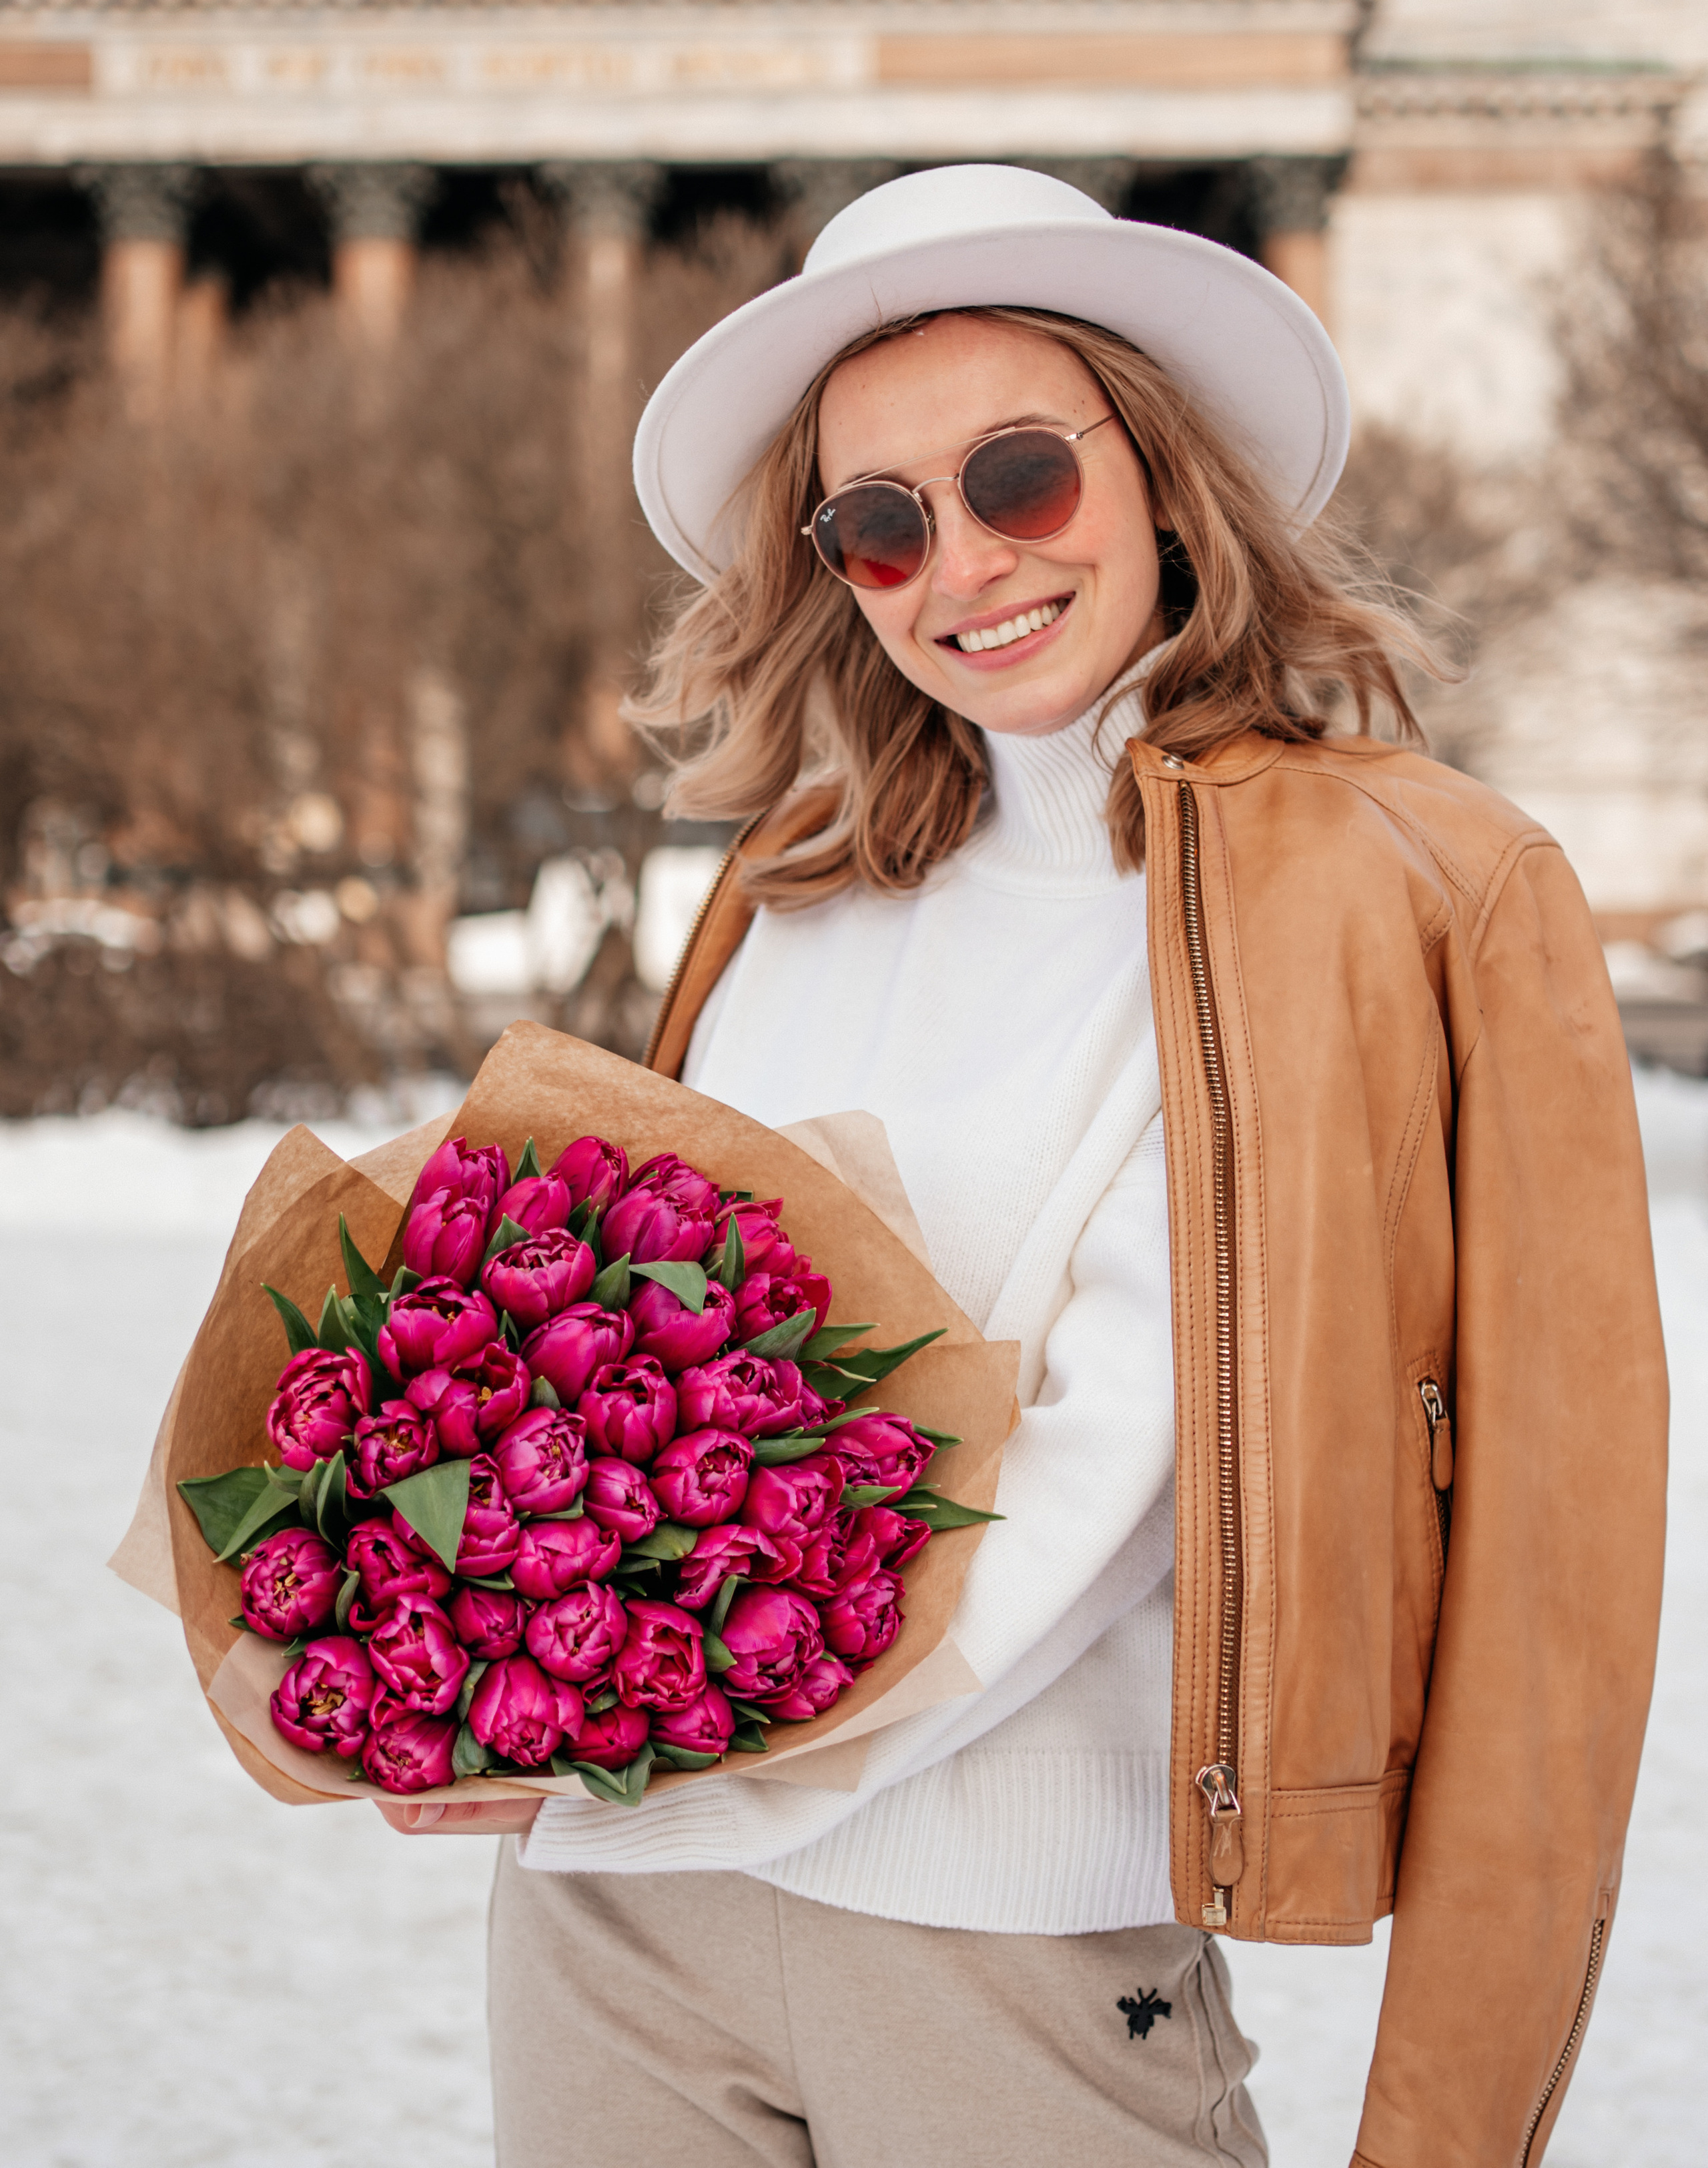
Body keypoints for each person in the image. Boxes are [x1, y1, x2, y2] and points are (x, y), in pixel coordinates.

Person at [382, 166, 1668, 2168]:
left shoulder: (1403, 886)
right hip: (616, 1931)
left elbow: (1497, 1530)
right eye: (877, 523)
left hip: (1012, 1946)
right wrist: (474, 1678)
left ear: (1161, 475)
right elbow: (646, 1373)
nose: (957, 562)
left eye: (1016, 478)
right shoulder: (793, 891)